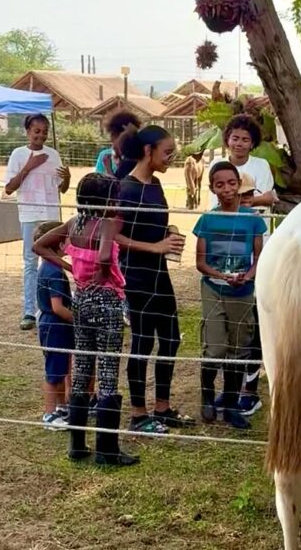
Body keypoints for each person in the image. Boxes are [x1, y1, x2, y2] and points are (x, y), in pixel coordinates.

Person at [34, 173, 139, 466]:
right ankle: (107, 449)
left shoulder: (73, 224)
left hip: (81, 300)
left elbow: (39, 246)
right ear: (104, 201)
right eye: (114, 198)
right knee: (107, 370)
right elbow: (105, 256)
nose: (117, 203)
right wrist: (104, 277)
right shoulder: (105, 224)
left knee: (81, 367)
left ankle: (77, 444)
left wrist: (70, 267)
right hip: (106, 302)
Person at [115, 124, 194, 434]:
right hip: (136, 275)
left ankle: (162, 407)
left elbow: (152, 225)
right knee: (143, 342)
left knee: (171, 339)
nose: (171, 157)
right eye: (167, 151)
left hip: (159, 273)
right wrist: (154, 247)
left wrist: (169, 233)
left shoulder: (156, 184)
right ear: (148, 151)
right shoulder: (126, 188)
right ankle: (138, 414)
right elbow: (115, 236)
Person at [211, 114, 275, 416]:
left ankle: (250, 390)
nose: (239, 143)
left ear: (253, 143)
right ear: (227, 139)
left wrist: (247, 202)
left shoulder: (260, 166)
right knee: (227, 323)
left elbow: (268, 197)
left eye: (245, 139)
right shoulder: (218, 166)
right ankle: (230, 388)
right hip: (225, 250)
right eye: (235, 138)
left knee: (253, 320)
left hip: (255, 249)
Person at [195, 164, 265, 429]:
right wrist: (222, 276)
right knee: (215, 348)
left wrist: (247, 276)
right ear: (212, 188)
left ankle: (232, 404)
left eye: (232, 183)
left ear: (239, 184)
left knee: (239, 348)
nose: (227, 189)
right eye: (220, 184)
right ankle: (207, 396)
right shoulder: (207, 220)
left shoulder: (253, 219)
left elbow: (259, 257)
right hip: (214, 288)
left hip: (243, 291)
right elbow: (201, 263)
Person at [4, 114, 71, 331]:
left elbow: (62, 188)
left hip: (51, 214)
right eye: (36, 131)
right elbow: (9, 188)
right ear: (28, 131)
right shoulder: (18, 154)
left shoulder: (53, 155)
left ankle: (53, 306)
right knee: (30, 262)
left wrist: (67, 178)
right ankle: (29, 311)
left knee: (53, 260)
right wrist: (29, 166)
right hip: (29, 215)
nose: (40, 135)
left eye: (44, 132)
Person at [33, 220, 73, 429]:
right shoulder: (55, 272)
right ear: (58, 244)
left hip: (53, 325)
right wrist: (78, 321)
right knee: (54, 371)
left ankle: (61, 406)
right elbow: (57, 307)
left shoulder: (47, 267)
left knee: (60, 366)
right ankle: (49, 414)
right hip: (55, 325)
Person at [99, 109, 142, 180]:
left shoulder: (129, 161)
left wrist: (108, 167)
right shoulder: (135, 157)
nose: (111, 141)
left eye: (112, 135)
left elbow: (117, 184)